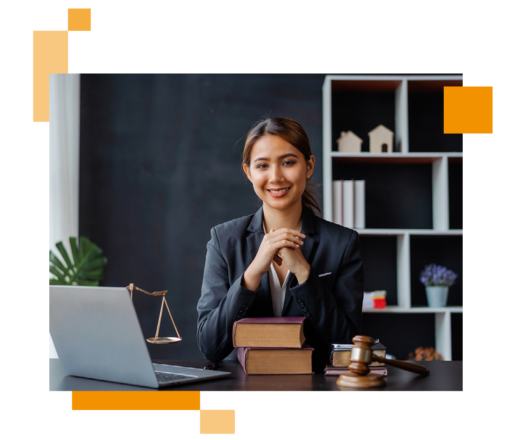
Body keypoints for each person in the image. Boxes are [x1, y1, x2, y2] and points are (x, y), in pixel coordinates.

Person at [196, 117, 363, 372]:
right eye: (262, 165)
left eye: (288, 162)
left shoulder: (343, 243)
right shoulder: (223, 240)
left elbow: (346, 343)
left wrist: (305, 274)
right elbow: (210, 346)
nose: (275, 177)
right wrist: (252, 274)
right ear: (248, 172)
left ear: (308, 166)